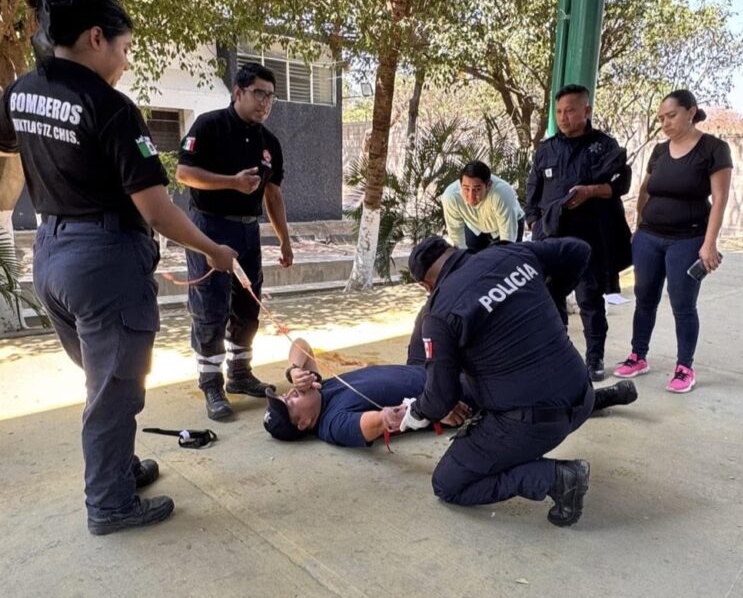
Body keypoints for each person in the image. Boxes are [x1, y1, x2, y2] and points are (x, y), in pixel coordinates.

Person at [0, 0, 237, 535]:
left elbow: (10, 145)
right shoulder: (110, 108)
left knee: (102, 375)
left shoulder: (21, 91)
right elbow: (157, 210)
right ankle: (109, 503)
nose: (125, 62)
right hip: (104, 262)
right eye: (124, 49)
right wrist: (213, 250)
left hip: (51, 254)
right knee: (114, 389)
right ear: (95, 37)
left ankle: (119, 467)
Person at [385, 236, 608, 528]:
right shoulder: (512, 254)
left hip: (534, 423)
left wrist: (413, 414)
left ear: (425, 285)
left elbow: (441, 398)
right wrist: (553, 297)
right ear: (454, 250)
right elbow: (579, 249)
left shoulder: (439, 313)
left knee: (449, 484)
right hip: (582, 395)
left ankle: (555, 478)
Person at [176, 62, 293, 420]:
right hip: (208, 227)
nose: (265, 103)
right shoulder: (208, 126)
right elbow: (184, 173)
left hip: (248, 231)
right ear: (238, 92)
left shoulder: (269, 142)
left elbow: (273, 195)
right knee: (210, 306)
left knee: (247, 304)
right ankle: (211, 382)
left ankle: (240, 373)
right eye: (258, 93)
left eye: (270, 96)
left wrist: (284, 240)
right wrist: (231, 182)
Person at [263, 338, 637, 446]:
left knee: (436, 310)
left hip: (421, 366)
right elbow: (379, 422)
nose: (291, 393)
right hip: (448, 390)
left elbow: (299, 343)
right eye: (290, 403)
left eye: (286, 394)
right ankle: (601, 397)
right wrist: (423, 410)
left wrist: (295, 370)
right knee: (525, 392)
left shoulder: (319, 386)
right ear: (304, 423)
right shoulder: (332, 425)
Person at [614, 90, 732, 393]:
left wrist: (709, 243)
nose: (665, 123)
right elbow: (646, 189)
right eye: (661, 118)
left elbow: (720, 198)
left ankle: (684, 367)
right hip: (649, 237)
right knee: (644, 298)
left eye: (671, 116)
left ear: (690, 112)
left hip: (687, 239)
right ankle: (638, 356)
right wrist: (639, 227)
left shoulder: (714, 149)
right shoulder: (659, 150)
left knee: (682, 303)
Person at [525, 84, 632, 381]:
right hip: (552, 240)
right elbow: (533, 191)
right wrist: (534, 223)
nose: (563, 117)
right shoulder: (546, 149)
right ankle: (557, 355)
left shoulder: (604, 146)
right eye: (559, 111)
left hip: (589, 240)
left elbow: (620, 186)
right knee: (550, 300)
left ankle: (594, 358)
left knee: (590, 301)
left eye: (570, 111)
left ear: (586, 110)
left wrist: (591, 191)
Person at [441, 160, 525, 249]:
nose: (471, 196)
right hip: (475, 225)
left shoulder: (502, 194)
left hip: (509, 222)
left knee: (509, 254)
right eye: (466, 189)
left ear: (488, 185)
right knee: (471, 254)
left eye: (477, 189)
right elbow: (456, 236)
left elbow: (507, 240)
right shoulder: (451, 197)